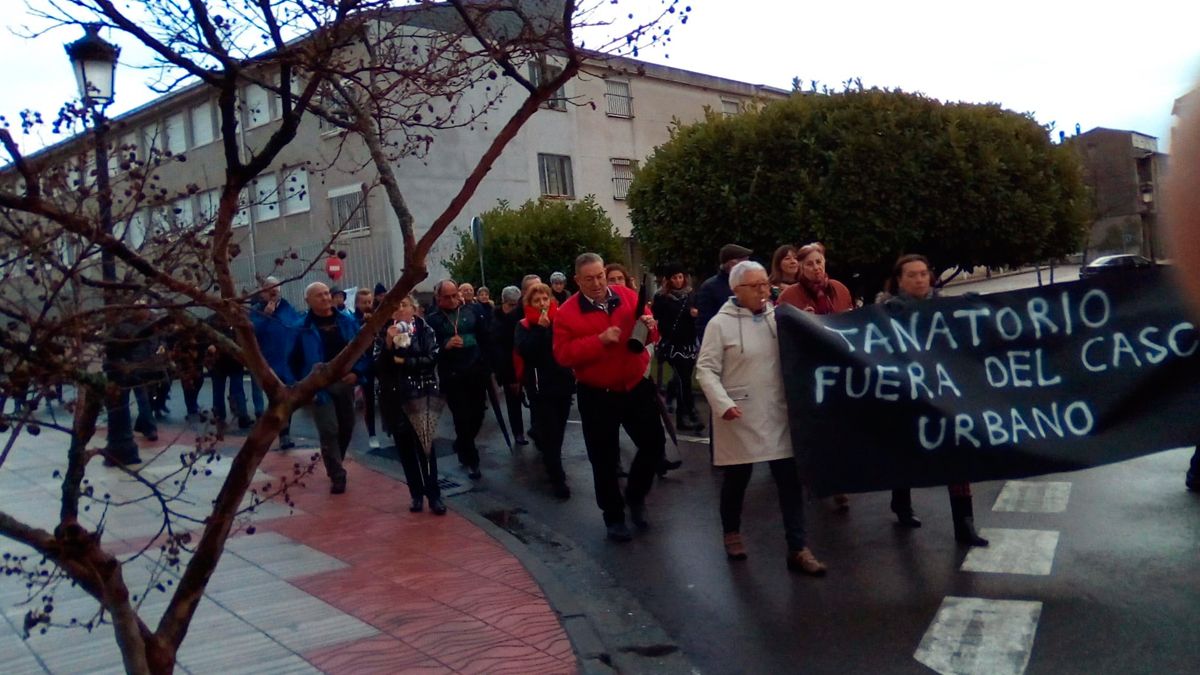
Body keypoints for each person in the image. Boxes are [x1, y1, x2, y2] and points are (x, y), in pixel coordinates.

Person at [696, 261, 826, 575]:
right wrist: (722, 403)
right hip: (739, 415)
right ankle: (732, 533)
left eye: (765, 284)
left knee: (789, 482)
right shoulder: (719, 325)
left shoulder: (779, 318)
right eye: (754, 286)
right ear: (736, 290)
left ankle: (798, 548)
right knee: (737, 481)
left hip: (778, 413)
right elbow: (706, 369)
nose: (763, 291)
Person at [554, 252, 665, 542]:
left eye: (600, 275)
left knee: (654, 445)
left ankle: (636, 495)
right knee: (603, 459)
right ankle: (613, 517)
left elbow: (651, 331)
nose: (597, 282)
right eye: (589, 278)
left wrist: (651, 329)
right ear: (577, 280)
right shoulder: (566, 313)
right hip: (596, 394)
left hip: (634, 385)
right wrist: (599, 342)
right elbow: (563, 355)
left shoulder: (627, 296)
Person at [879, 254, 988, 546]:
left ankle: (965, 524)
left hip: (945, 393)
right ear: (900, 280)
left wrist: (972, 308)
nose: (919, 279)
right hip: (908, 395)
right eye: (912, 275)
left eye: (923, 274)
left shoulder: (945, 308)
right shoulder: (885, 312)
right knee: (908, 453)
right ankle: (901, 501)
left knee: (957, 457)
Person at [290, 282, 370, 494]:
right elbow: (293, 361)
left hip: (345, 383)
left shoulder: (347, 321)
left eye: (327, 293)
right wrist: (303, 388)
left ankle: (337, 460)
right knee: (328, 430)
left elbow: (361, 349)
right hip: (319, 387)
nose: (325, 298)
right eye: (319, 295)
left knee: (346, 426)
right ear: (308, 300)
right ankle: (337, 474)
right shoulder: (301, 327)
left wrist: (358, 373)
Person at [375, 293, 446, 514]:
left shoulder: (425, 330)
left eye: (403, 305)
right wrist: (388, 345)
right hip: (394, 397)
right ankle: (416, 494)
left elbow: (432, 358)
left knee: (425, 447)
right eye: (394, 306)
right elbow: (378, 368)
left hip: (421, 393)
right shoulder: (383, 332)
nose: (399, 310)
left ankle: (434, 494)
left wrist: (404, 361)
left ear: (414, 309)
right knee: (404, 448)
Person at [425, 279, 492, 479]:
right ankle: (472, 460)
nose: (453, 300)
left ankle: (462, 442)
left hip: (475, 371)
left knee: (478, 414)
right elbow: (429, 348)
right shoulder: (432, 320)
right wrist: (445, 345)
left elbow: (485, 338)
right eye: (448, 297)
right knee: (462, 418)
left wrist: (488, 366)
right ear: (438, 298)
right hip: (452, 375)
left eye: (455, 295)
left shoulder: (472, 312)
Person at [515, 283, 575, 499]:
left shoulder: (560, 320)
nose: (542, 304)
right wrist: (540, 330)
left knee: (558, 432)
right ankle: (557, 478)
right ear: (529, 303)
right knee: (550, 434)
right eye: (537, 300)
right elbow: (526, 352)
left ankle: (552, 462)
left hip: (562, 383)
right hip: (541, 388)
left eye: (545, 299)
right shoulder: (524, 325)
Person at [250, 275, 300, 449]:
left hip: (287, 362)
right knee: (275, 400)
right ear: (262, 293)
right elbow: (253, 333)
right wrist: (265, 316)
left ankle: (285, 432)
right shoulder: (256, 310)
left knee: (286, 399)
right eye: (269, 291)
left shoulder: (287, 308)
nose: (273, 294)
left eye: (276, 290)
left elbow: (296, 327)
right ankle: (277, 431)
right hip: (268, 362)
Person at [652, 262, 702, 432]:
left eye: (680, 277)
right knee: (684, 380)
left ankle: (678, 410)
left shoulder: (690, 295)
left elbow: (695, 315)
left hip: (688, 343)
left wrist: (694, 314)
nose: (678, 280)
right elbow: (657, 317)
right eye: (674, 277)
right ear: (668, 280)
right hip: (672, 344)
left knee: (682, 378)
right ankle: (690, 413)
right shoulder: (661, 297)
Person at [206, 312, 254, 434]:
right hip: (223, 361)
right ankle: (225, 418)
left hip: (232, 361)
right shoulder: (217, 320)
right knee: (224, 390)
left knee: (233, 389)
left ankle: (238, 416)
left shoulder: (224, 320)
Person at [492, 285, 528, 446]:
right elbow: (498, 348)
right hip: (507, 365)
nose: (513, 308)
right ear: (503, 302)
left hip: (525, 361)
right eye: (510, 305)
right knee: (513, 401)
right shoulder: (496, 317)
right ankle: (518, 432)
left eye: (515, 305)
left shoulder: (521, 315)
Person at [695, 244, 752, 339]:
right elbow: (704, 324)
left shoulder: (748, 284)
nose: (749, 266)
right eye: (745, 262)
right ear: (732, 264)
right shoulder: (710, 288)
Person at [353, 286, 381, 448]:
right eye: (364, 302)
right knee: (369, 399)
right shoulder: (354, 320)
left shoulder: (376, 316)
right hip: (365, 363)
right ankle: (372, 434)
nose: (367, 305)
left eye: (369, 301)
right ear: (357, 304)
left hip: (378, 360)